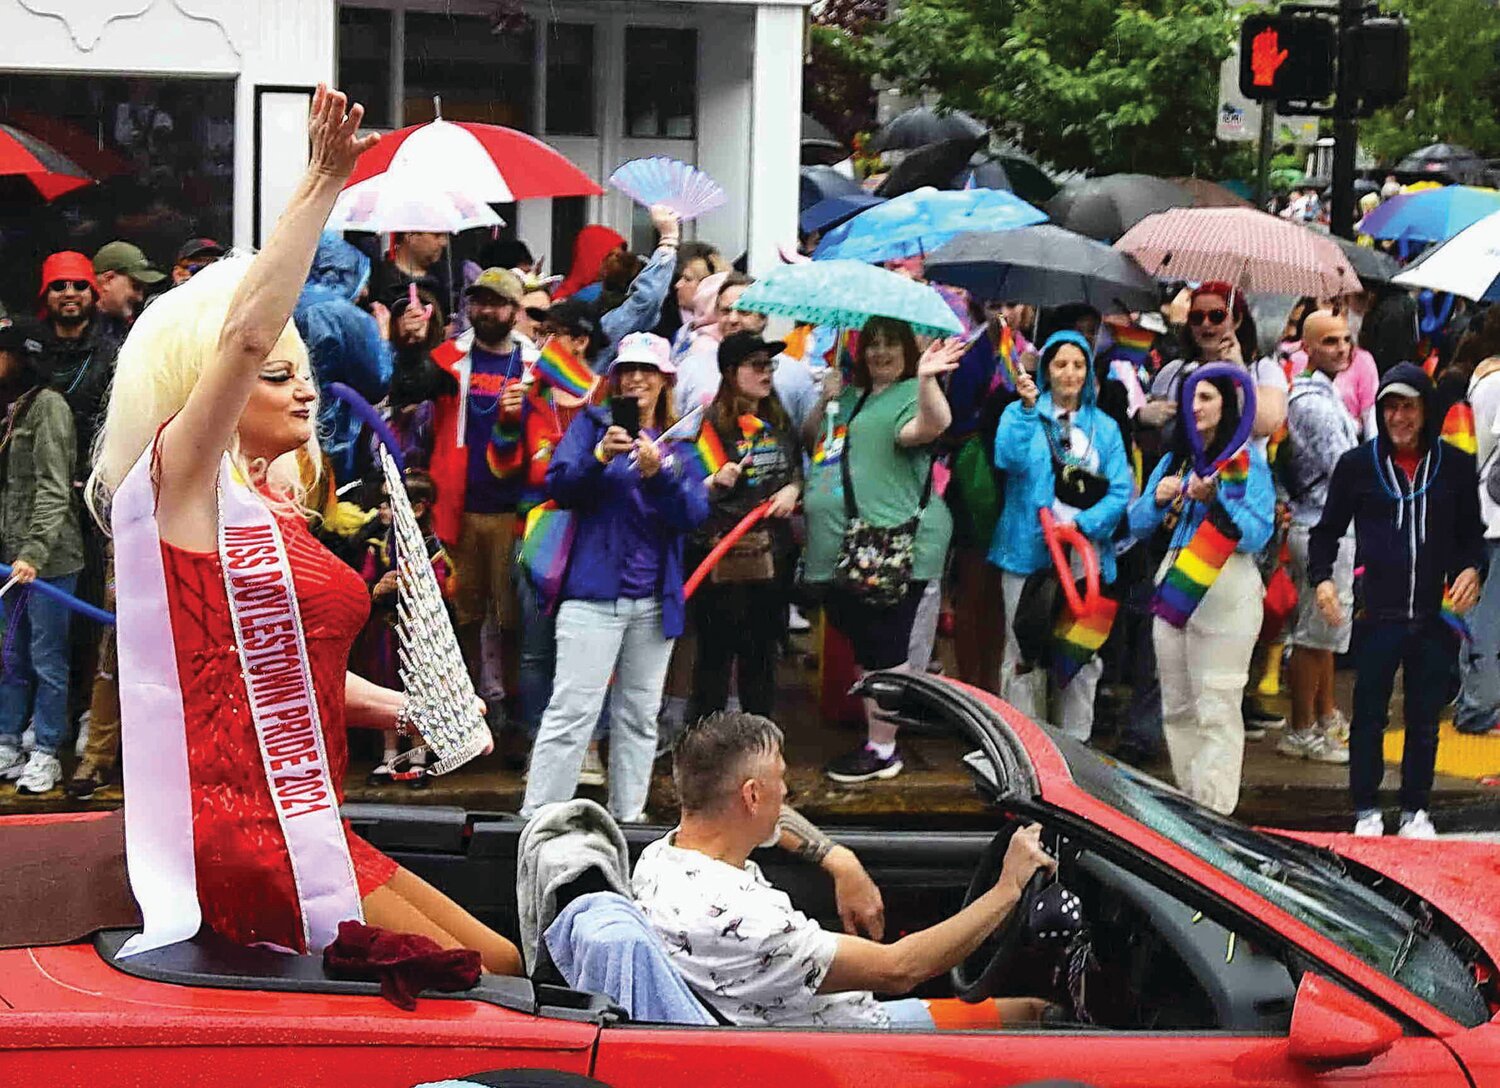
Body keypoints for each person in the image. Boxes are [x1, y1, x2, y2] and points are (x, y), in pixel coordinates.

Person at [85, 85, 521, 972]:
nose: (305, 388)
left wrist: (410, 707)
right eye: (277, 374)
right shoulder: (180, 492)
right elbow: (242, 335)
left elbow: (287, 676)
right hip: (247, 839)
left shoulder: (276, 512)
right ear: (215, 390)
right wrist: (323, 182)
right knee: (477, 979)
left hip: (309, 817)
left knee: (504, 963)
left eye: (305, 369)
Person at [634, 711, 1055, 1029]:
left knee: (1030, 1012)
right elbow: (899, 969)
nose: (787, 791)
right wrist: (1008, 888)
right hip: (851, 1041)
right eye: (779, 779)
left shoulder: (662, 857)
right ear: (751, 795)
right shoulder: (747, 922)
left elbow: (772, 821)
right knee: (1038, 1016)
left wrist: (840, 860)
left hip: (826, 1018)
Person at [520, 332, 709, 823]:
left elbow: (693, 513)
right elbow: (559, 487)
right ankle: (539, 818)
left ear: (666, 379)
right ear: (616, 379)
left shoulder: (684, 440)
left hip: (653, 600)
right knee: (571, 712)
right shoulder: (592, 424)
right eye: (627, 370)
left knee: (639, 717)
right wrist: (600, 456)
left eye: (647, 370)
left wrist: (661, 471)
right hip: (591, 595)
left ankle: (629, 818)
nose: (637, 379)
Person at [1310, 364, 1484, 838]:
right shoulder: (1357, 466)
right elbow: (1325, 533)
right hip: (1378, 613)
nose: (1399, 417)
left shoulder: (1455, 466)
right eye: (1390, 406)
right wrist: (1322, 579)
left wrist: (1473, 570)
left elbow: (1472, 538)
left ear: (1426, 411)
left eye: (1408, 406)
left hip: (1435, 614)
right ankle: (1366, 808)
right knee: (1369, 715)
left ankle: (1415, 810)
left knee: (1425, 718)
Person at [801, 318, 963, 783]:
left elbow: (932, 426)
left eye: (891, 343)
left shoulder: (912, 392)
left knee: (886, 647)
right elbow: (814, 442)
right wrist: (826, 399)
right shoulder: (851, 395)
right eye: (872, 344)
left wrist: (929, 379)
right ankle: (879, 734)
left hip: (895, 545)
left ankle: (883, 748)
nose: (881, 352)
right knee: (867, 644)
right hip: (846, 547)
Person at [1128, 371, 1275, 813]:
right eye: (1190, 397)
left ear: (1227, 405)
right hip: (1176, 581)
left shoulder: (1247, 463)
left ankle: (1216, 811)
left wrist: (1218, 501)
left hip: (1226, 583)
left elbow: (1256, 534)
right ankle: (1190, 804)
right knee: (1177, 704)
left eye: (1206, 397)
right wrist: (1158, 499)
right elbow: (1136, 524)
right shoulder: (1174, 459)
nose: (1196, 406)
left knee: (1217, 704)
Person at [993, 331, 1133, 743]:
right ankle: (1024, 745)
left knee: (1081, 657)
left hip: (1083, 558)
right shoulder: (1022, 414)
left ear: (1089, 371)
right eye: (1060, 364)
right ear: (1046, 369)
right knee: (1023, 655)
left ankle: (1075, 745)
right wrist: (1024, 408)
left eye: (1078, 365)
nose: (1069, 373)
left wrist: (1084, 525)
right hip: (1027, 553)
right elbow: (1008, 457)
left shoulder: (1105, 428)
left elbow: (1120, 490)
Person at [427, 267, 532, 711]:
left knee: (512, 620)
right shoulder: (446, 359)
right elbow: (409, 389)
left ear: (515, 310)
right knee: (462, 614)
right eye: (479, 302)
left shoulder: (535, 365)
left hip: (514, 510)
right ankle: (467, 706)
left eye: (497, 303)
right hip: (459, 505)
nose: (486, 311)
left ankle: (508, 709)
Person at [687, 332, 803, 723]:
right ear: (730, 372)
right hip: (721, 555)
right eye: (756, 365)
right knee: (715, 657)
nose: (765, 372)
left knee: (763, 656)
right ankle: (704, 745)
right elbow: (689, 487)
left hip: (774, 556)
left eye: (769, 365)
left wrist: (793, 489)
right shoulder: (709, 422)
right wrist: (714, 479)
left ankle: (761, 742)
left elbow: (797, 469)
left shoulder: (779, 417)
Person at [0, 321, 84, 796]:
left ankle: (48, 751)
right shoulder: (12, 409)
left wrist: (33, 552)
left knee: (46, 657)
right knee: (10, 655)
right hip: (11, 559)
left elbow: (54, 489)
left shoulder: (49, 407)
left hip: (49, 562)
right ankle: (9, 738)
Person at [1276, 311, 1359, 766]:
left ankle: (1322, 717)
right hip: (1322, 527)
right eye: (1330, 341)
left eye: (1346, 340)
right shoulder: (1310, 401)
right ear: (1306, 347)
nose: (1342, 348)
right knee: (1314, 636)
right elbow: (1346, 468)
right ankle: (1301, 728)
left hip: (1329, 525)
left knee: (1326, 634)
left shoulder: (1324, 394)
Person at [356, 470, 449, 789]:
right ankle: (389, 755)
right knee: (387, 691)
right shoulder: (377, 544)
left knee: (419, 692)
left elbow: (444, 584)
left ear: (418, 508)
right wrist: (377, 588)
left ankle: (419, 758)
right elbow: (364, 582)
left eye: (389, 503)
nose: (382, 510)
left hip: (420, 633)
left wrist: (415, 584)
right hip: (386, 630)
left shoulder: (431, 545)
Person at [293, 231, 393, 485]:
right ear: (344, 273)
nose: (365, 291)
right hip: (335, 439)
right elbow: (378, 380)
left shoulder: (287, 300)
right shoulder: (348, 317)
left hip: (288, 431)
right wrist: (383, 336)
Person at [31, 251, 123, 469]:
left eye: (80, 285)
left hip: (92, 473)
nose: (69, 293)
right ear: (45, 294)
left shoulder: (115, 353)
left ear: (93, 292)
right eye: (59, 286)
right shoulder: (28, 351)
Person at [1456, 348, 1500, 736]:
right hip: (1495, 520)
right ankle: (1477, 709)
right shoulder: (1497, 384)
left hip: (1484, 514)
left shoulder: (1484, 380)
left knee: (1481, 618)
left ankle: (1476, 702)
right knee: (1488, 622)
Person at [92, 241, 165, 335]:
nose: (140, 298)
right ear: (108, 279)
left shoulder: (132, 326)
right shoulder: (78, 327)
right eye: (136, 287)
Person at [370, 230, 452, 314]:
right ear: (409, 234)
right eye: (437, 235)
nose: (444, 243)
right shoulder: (375, 279)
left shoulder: (446, 279)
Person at [552, 225, 627, 302]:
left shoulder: (624, 289)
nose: (618, 262)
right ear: (592, 257)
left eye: (621, 256)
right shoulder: (566, 295)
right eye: (611, 255)